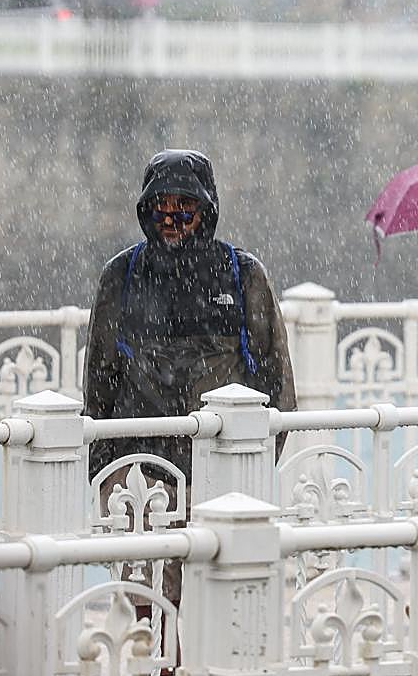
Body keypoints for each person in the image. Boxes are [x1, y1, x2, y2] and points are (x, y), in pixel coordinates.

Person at [84, 149, 296, 594]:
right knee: (144, 596)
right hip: (136, 467)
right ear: (147, 210)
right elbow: (100, 379)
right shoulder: (121, 277)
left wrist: (254, 463)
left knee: (215, 600)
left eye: (186, 207)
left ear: (208, 209)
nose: (173, 218)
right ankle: (158, 665)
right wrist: (101, 469)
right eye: (163, 206)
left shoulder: (242, 276)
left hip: (219, 470)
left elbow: (277, 380)